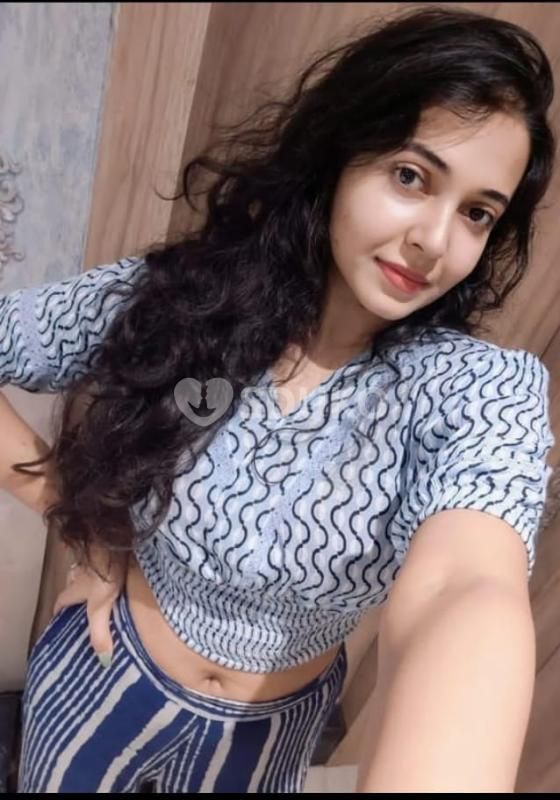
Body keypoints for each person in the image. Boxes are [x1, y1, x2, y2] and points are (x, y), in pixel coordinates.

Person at [1, 4, 556, 793]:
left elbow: (465, 583)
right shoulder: (176, 299)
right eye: (411, 176)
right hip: (100, 673)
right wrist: (72, 512)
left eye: (476, 213)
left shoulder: (475, 392)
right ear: (340, 154)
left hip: (269, 740)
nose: (435, 240)